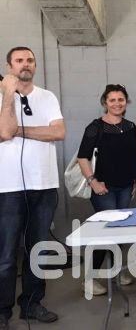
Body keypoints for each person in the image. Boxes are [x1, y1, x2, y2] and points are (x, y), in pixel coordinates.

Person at [0, 47, 64, 327]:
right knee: (6, 254)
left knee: (37, 250)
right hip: (9, 188)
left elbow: (58, 132)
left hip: (44, 185)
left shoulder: (47, 97)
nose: (25, 64)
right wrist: (8, 95)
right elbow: (4, 131)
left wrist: (20, 131)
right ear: (9, 66)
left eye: (30, 60)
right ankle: (2, 311)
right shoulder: (2, 98)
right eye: (19, 60)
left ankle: (32, 304)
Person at [77, 84, 136, 297]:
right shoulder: (95, 127)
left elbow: (131, 156)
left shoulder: (130, 126)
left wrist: (133, 182)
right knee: (104, 234)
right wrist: (93, 181)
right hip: (104, 188)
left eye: (121, 99)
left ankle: (116, 273)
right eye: (112, 100)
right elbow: (82, 157)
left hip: (125, 187)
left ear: (126, 101)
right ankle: (89, 279)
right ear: (105, 102)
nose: (117, 103)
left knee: (119, 232)